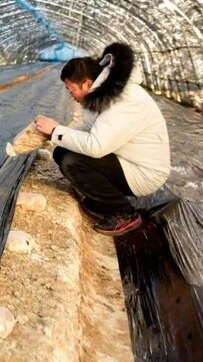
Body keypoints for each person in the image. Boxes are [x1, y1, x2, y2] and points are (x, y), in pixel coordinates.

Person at [35, 42, 170, 236]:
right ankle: (99, 199)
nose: (70, 95)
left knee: (72, 162)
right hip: (124, 157)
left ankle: (124, 213)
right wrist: (57, 133)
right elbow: (90, 130)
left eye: (70, 89)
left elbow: (96, 146)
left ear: (87, 84)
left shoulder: (124, 100)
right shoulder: (103, 94)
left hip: (143, 172)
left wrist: (56, 131)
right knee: (62, 151)